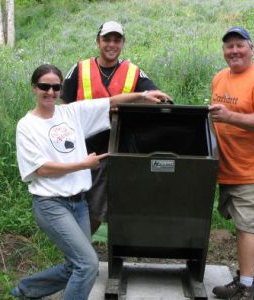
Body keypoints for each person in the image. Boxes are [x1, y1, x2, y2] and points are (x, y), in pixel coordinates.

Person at [11, 64, 170, 299]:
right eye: (45, 86)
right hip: (51, 204)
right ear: (34, 88)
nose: (51, 92)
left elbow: (111, 102)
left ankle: (25, 290)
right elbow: (41, 169)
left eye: (56, 87)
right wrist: (83, 165)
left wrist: (143, 95)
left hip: (79, 204)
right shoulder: (27, 126)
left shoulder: (71, 113)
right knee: (87, 265)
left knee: (74, 265)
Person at [61, 20, 162, 235]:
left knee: (97, 205)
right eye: (106, 39)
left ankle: (81, 250)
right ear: (98, 42)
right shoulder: (80, 69)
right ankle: (79, 251)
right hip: (81, 148)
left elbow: (155, 100)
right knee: (77, 201)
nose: (111, 44)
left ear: (123, 43)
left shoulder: (134, 72)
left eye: (117, 40)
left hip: (113, 149)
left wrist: (132, 107)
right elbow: (64, 109)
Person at [209, 26, 254, 300]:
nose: (234, 51)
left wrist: (230, 117)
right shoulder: (219, 78)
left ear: (251, 48)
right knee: (240, 226)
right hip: (228, 169)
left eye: (240, 45)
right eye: (229, 46)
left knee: (247, 227)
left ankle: (247, 287)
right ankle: (243, 279)